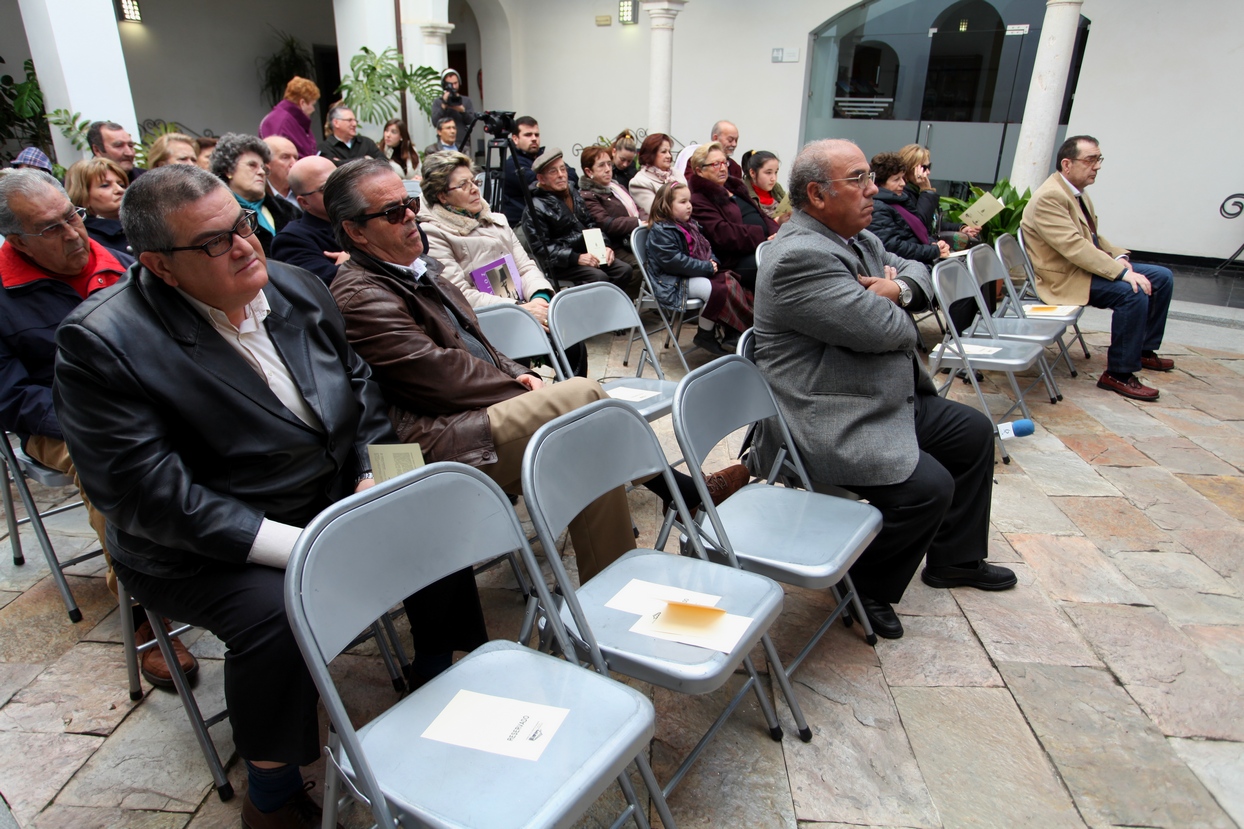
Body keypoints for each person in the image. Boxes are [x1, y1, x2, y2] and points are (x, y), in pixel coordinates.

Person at [54, 164, 480, 828]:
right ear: (161, 268)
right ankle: (273, 791)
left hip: (321, 490)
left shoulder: (295, 285)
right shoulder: (103, 342)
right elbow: (152, 495)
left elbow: (362, 387)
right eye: (217, 241)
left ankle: (437, 672)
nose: (247, 244)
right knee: (279, 611)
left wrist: (378, 470)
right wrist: (307, 547)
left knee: (427, 508)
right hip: (200, 542)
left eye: (245, 224)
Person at [325, 159, 745, 580]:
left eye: (410, 203)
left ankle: (614, 589)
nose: (411, 216)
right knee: (583, 395)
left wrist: (516, 371)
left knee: (589, 446)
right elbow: (437, 375)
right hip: (435, 436)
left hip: (471, 413)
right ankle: (681, 492)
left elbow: (478, 343)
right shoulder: (361, 295)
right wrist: (518, 385)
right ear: (355, 231)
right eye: (394, 212)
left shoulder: (415, 268)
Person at [752, 139, 1015, 641]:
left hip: (879, 391)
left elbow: (921, 273)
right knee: (928, 488)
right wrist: (897, 308)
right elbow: (892, 332)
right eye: (858, 180)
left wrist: (896, 289)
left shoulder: (858, 237)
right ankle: (864, 586)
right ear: (817, 194)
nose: (873, 189)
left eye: (869, 176)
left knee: (974, 433)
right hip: (828, 412)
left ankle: (955, 561)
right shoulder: (799, 256)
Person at [0, 169, 193, 688]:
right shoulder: (4, 294)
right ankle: (145, 617)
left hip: (146, 398)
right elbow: (12, 397)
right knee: (110, 465)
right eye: (51, 228)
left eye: (73, 216)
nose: (73, 233)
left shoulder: (120, 262)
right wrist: (98, 418)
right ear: (16, 241)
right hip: (58, 421)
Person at [1021, 135, 1175, 401]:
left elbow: (1091, 238)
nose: (1097, 166)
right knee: (1132, 292)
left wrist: (1118, 258)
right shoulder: (1050, 197)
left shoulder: (1074, 191)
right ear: (1067, 164)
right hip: (1065, 278)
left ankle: (1141, 349)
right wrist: (1123, 274)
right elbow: (1074, 248)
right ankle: (1119, 373)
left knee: (1162, 277)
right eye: (1090, 160)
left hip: (1082, 268)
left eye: (1098, 159)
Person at [417, 151, 587, 377]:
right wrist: (520, 312)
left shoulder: (496, 220)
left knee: (572, 343)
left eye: (474, 181)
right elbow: (459, 295)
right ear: (442, 196)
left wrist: (540, 299)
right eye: (463, 185)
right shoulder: (433, 233)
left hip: (523, 308)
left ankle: (573, 405)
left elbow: (525, 267)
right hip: (483, 323)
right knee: (522, 370)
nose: (475, 188)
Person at [645, 182, 753, 358]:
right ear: (665, 205)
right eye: (682, 202)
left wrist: (713, 262)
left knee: (730, 281)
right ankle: (705, 333)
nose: (689, 205)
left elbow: (708, 248)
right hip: (672, 280)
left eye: (689, 201)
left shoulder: (690, 225)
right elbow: (674, 262)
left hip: (691, 273)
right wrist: (706, 267)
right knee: (713, 289)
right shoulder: (661, 230)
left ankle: (733, 330)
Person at [521, 148, 633, 292]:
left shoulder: (573, 193)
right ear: (541, 179)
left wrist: (604, 246)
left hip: (588, 254)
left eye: (563, 169)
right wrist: (576, 258)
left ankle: (606, 310)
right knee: (598, 278)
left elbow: (591, 223)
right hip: (562, 263)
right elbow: (541, 249)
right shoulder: (535, 208)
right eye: (553, 172)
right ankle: (592, 313)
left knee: (624, 270)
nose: (561, 175)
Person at [686, 141, 777, 290]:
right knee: (778, 267)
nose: (723, 168)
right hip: (734, 260)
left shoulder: (735, 188)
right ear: (700, 171)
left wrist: (776, 233)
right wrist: (763, 236)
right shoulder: (699, 200)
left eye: (724, 162)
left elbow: (762, 215)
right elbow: (724, 235)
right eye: (716, 164)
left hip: (761, 247)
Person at [210, 132, 301, 255]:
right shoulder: (217, 215)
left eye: (263, 168)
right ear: (228, 170)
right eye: (252, 165)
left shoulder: (288, 209)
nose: (261, 172)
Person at [271, 156, 348, 285]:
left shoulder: (365, 215)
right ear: (305, 202)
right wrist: (354, 264)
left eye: (341, 181)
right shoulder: (291, 240)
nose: (340, 190)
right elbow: (321, 286)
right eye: (326, 189)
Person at [869, 152, 950, 268]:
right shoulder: (878, 208)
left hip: (917, 262)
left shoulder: (899, 200)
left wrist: (933, 244)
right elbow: (893, 247)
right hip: (905, 268)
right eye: (896, 179)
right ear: (880, 183)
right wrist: (933, 250)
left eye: (902, 177)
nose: (902, 183)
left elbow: (917, 229)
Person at [898, 144, 980, 251]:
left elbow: (934, 223)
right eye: (924, 168)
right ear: (910, 169)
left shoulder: (918, 191)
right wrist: (926, 191)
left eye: (929, 167)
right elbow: (920, 225)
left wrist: (961, 228)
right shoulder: (903, 194)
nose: (928, 172)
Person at [500, 116, 577, 225]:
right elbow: (536, 183)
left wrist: (556, 180)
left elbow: (573, 175)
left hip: (552, 218)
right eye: (528, 135)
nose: (534, 138)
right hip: (522, 224)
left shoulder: (545, 158)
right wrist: (558, 181)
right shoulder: (511, 164)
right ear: (515, 139)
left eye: (536, 134)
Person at [578, 145, 641, 270]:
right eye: (601, 165)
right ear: (589, 172)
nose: (608, 169)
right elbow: (606, 223)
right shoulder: (588, 195)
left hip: (632, 240)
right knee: (644, 264)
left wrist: (646, 221)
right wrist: (638, 222)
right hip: (614, 246)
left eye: (609, 164)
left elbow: (636, 209)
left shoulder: (617, 188)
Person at [64, 158, 135, 263]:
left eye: (121, 185)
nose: (120, 190)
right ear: (83, 196)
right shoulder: (87, 240)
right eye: (105, 185)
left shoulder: (145, 221)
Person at [258, 76, 321, 159]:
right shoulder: (284, 122)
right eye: (312, 104)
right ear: (302, 103)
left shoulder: (285, 119)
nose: (313, 109)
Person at [628, 132, 684, 222]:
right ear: (651, 154)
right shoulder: (639, 182)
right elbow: (658, 213)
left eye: (669, 151)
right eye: (663, 152)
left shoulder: (677, 174)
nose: (669, 156)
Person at [317, 105, 384, 166]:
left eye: (355, 120)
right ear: (336, 123)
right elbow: (332, 167)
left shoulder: (366, 142)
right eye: (349, 120)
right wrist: (365, 159)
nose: (354, 124)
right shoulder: (325, 148)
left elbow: (383, 162)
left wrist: (342, 162)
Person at [675, 120, 742, 180]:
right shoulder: (696, 161)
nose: (734, 144)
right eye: (730, 140)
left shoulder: (736, 168)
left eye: (736, 140)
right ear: (715, 138)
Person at [740, 150, 791, 225]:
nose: (773, 178)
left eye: (776, 172)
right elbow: (753, 226)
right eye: (768, 173)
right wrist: (777, 222)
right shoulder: (742, 193)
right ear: (753, 173)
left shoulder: (776, 188)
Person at [429, 68, 477, 149]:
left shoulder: (466, 101)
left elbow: (472, 122)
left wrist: (462, 111)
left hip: (463, 144)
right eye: (450, 84)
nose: (453, 87)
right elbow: (435, 122)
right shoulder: (438, 102)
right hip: (444, 145)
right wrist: (444, 105)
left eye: (455, 83)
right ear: (444, 85)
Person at [381, 118, 420, 183]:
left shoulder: (411, 151)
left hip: (414, 191)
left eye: (393, 132)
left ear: (401, 136)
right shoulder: (379, 152)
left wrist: (418, 179)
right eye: (386, 131)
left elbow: (419, 173)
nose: (388, 135)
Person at [263, 135, 300, 204]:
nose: (294, 164)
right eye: (285, 157)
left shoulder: (305, 191)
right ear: (266, 162)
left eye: (295, 158)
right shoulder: (258, 197)